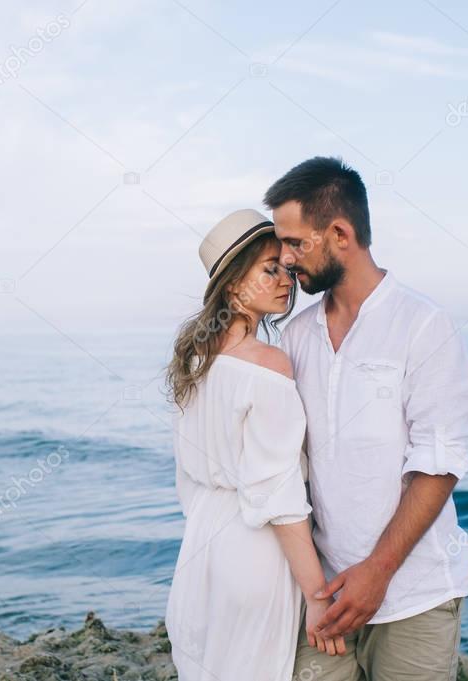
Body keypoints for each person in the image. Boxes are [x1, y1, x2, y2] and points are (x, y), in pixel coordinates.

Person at [267, 157, 468, 681]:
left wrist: (378, 572)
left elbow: (439, 461)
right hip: (327, 594)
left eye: (296, 242)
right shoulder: (295, 336)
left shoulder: (422, 324)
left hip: (415, 594)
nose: (286, 258)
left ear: (339, 233)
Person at [163, 208, 345, 681]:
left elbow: (187, 478)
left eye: (286, 267)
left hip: (200, 547)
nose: (286, 279)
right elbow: (277, 495)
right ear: (232, 285)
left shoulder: (195, 363)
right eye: (270, 269)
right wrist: (315, 594)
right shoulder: (269, 365)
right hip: (255, 553)